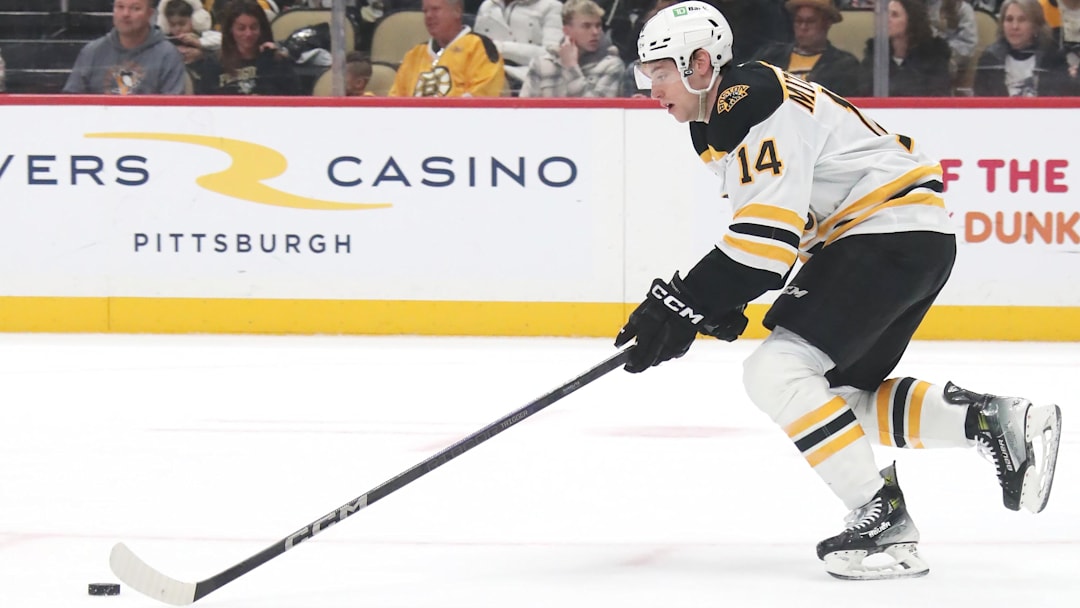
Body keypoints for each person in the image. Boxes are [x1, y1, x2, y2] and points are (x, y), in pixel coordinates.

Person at [620, 1, 1062, 580]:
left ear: (700, 63)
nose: (651, 90)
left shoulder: (746, 102)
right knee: (835, 397)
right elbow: (786, 225)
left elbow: (764, 242)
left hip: (884, 234)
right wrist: (715, 300)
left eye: (659, 72)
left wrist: (682, 302)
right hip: (902, 237)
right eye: (645, 75)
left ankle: (882, 523)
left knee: (775, 373)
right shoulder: (724, 115)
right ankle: (993, 422)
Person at [63, 0, 187, 94]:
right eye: (120, 7)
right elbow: (71, 103)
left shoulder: (168, 55)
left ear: (150, 14)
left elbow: (173, 110)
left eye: (135, 8)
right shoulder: (91, 52)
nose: (125, 14)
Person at [389, 0, 506, 97]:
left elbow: (481, 98)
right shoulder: (414, 55)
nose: (429, 16)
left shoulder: (479, 47)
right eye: (425, 11)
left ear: (457, 11)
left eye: (435, 9)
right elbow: (394, 100)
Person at [752, 0, 860, 96]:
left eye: (810, 21)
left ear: (827, 23)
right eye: (798, 21)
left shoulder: (844, 65)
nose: (803, 27)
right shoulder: (770, 56)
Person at [519, 0, 625, 97]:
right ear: (566, 31)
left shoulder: (612, 66)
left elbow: (595, 112)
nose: (595, 32)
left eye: (598, 26)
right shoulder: (542, 65)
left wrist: (571, 68)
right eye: (586, 26)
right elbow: (524, 110)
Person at [193, 0, 302, 94]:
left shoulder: (277, 61)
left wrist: (269, 64)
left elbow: (294, 99)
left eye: (253, 27)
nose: (248, 34)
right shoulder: (214, 63)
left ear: (261, 29)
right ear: (231, 30)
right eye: (241, 28)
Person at [974, 0, 1076, 95]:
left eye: (1022, 20)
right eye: (1009, 19)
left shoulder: (1053, 58)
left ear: (1036, 26)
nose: (1014, 26)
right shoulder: (990, 59)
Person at [857, 0, 953, 96]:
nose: (886, 19)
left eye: (895, 15)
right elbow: (863, 92)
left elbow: (938, 95)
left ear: (912, 20)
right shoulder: (875, 54)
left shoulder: (933, 57)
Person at [473, 0, 564, 90]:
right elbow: (477, 48)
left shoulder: (551, 6)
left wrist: (500, 48)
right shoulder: (487, 6)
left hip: (527, 77)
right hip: (485, 73)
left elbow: (552, 56)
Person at [162, 0, 223, 69]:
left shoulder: (201, 35)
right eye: (172, 25)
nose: (177, 28)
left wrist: (198, 42)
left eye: (182, 24)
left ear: (194, 20)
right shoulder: (165, 40)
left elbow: (223, 40)